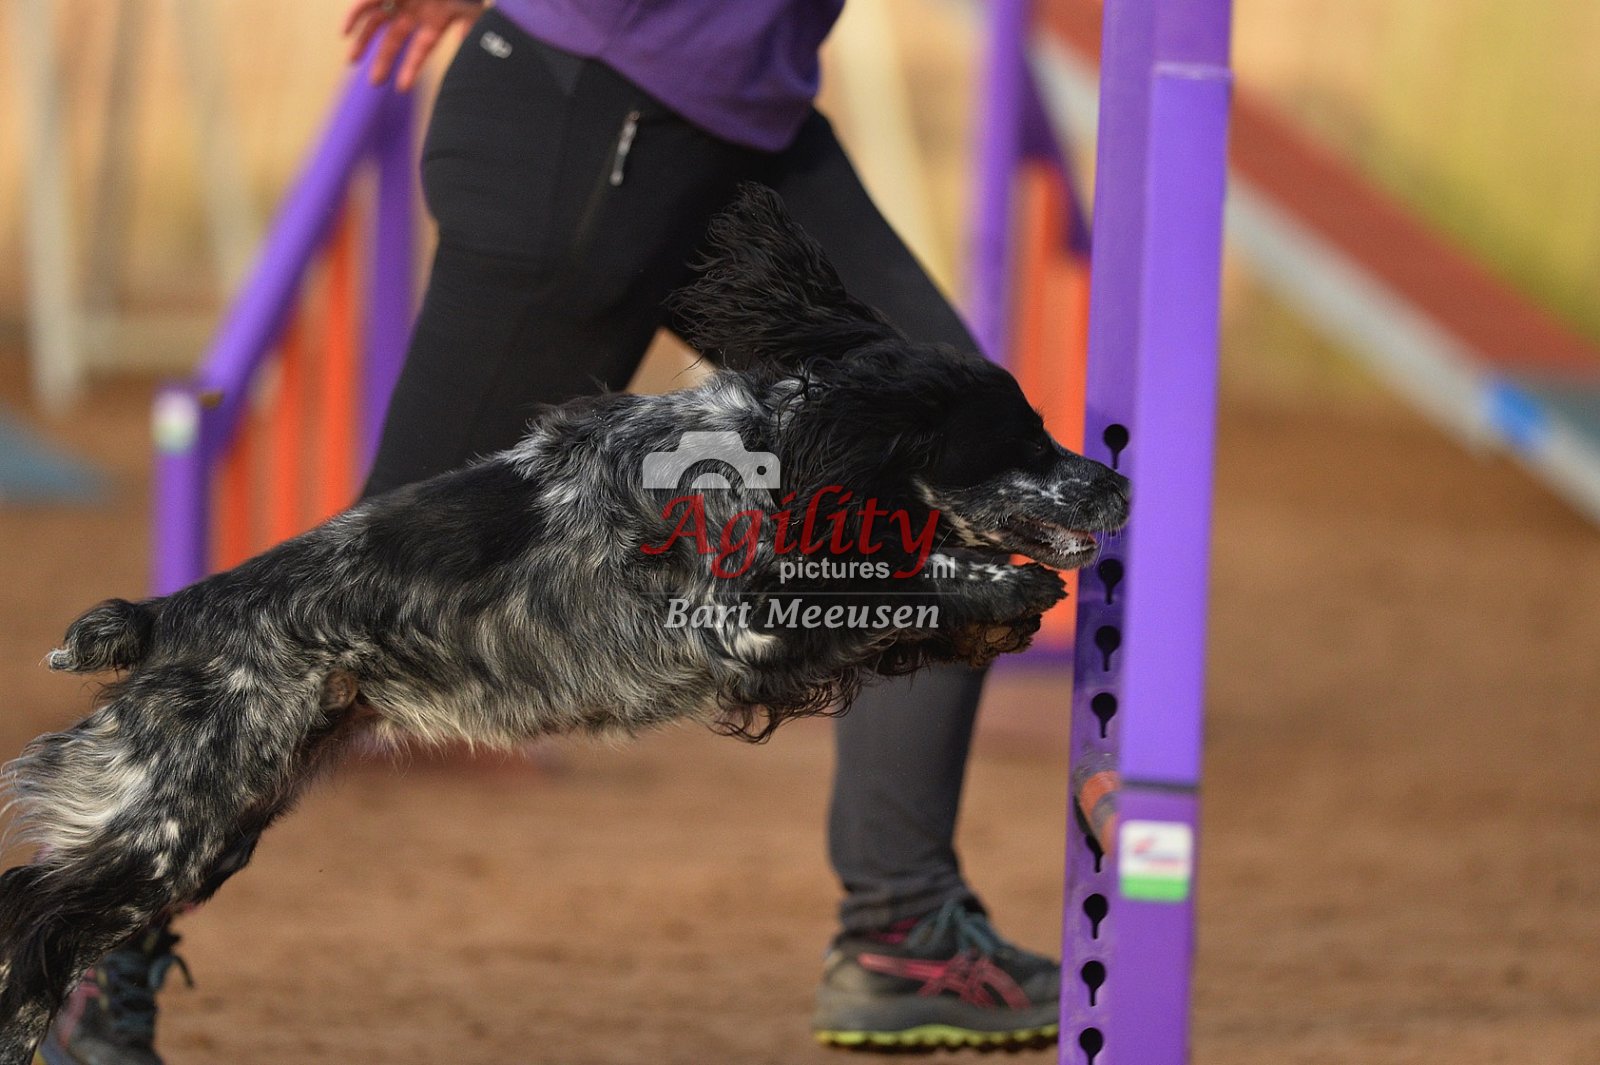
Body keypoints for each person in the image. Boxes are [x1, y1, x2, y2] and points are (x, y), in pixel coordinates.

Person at [36, 3, 1061, 1062]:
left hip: (741, 125)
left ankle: (904, 927)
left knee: (959, 472)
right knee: (340, 626)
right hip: (590, 126)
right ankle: (82, 946)